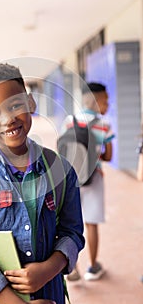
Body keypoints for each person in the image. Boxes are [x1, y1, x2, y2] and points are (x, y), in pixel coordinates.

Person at [0, 62, 85, 304]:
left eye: (15, 105)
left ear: (30, 103)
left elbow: (72, 231)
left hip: (49, 296)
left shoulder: (61, 170)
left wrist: (50, 268)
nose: (8, 118)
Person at [64, 82, 115, 281]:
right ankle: (93, 267)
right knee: (91, 223)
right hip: (94, 178)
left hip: (71, 178)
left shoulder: (70, 120)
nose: (108, 105)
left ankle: (73, 268)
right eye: (106, 100)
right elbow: (108, 157)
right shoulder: (104, 124)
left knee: (69, 223)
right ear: (96, 101)